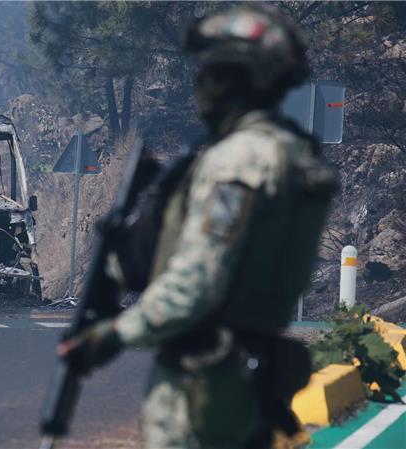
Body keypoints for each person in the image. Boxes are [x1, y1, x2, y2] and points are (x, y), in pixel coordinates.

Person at [58, 4, 338, 448]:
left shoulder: (239, 161)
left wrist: (114, 334)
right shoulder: (296, 156)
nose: (200, 84)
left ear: (234, 80)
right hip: (253, 378)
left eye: (210, 71)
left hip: (203, 386)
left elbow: (198, 281)